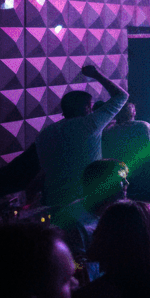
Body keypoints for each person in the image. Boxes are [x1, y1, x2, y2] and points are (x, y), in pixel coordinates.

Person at [37, 63, 129, 210]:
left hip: (52, 199)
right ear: (87, 107)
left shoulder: (44, 134)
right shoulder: (90, 124)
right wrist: (96, 74)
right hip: (83, 200)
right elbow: (122, 96)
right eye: (91, 106)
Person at [101, 102, 150, 198]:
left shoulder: (109, 131)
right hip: (143, 176)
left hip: (119, 178)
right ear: (134, 113)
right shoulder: (143, 126)